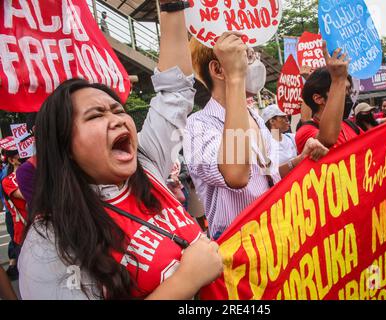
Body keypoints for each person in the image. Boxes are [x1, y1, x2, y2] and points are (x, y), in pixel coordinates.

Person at [18, 4, 222, 300]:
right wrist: (185, 282)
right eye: (95, 115)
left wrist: (172, 8)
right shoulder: (48, 244)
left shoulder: (147, 164)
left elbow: (175, 92)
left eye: (117, 109)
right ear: (65, 146)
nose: (116, 119)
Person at [185, 35, 328, 240]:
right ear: (218, 70)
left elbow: (267, 177)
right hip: (239, 248)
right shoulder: (198, 125)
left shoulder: (255, 117)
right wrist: (235, 78)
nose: (255, 64)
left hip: (273, 234)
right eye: (247, 56)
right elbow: (236, 175)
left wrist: (299, 160)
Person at [295, 42, 361, 154]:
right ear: (318, 99)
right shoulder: (306, 132)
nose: (347, 95)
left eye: (347, 89)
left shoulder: (350, 126)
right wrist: (338, 79)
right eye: (340, 89)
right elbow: (328, 139)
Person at [1, 148, 28, 281]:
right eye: (21, 157)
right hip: (24, 234)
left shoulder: (34, 173)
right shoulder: (8, 180)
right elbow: (29, 195)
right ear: (12, 160)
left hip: (44, 231)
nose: (25, 159)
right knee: (29, 276)